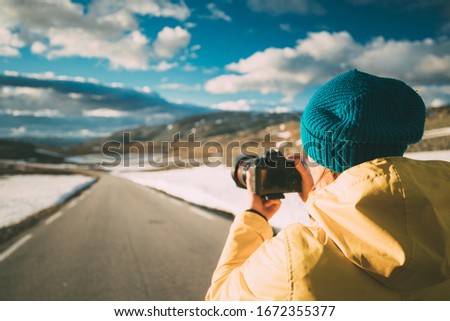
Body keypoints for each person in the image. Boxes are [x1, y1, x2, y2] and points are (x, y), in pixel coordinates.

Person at [205, 69, 450, 300]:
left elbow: (219, 301)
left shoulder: (295, 256)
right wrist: (324, 206)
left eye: (310, 157)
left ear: (325, 159)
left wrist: (253, 217)